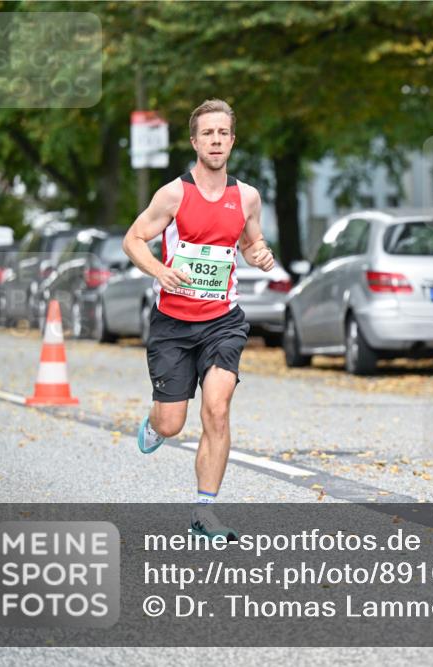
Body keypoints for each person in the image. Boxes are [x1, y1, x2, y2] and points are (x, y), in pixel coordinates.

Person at [122, 99, 274, 539]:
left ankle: (203, 512)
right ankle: (155, 424)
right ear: (194, 142)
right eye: (207, 133)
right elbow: (133, 239)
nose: (215, 140)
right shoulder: (173, 194)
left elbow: (252, 242)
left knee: (218, 408)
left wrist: (260, 253)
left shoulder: (246, 196)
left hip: (223, 321)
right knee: (172, 423)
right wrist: (161, 271)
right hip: (173, 323)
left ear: (232, 141)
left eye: (222, 133)